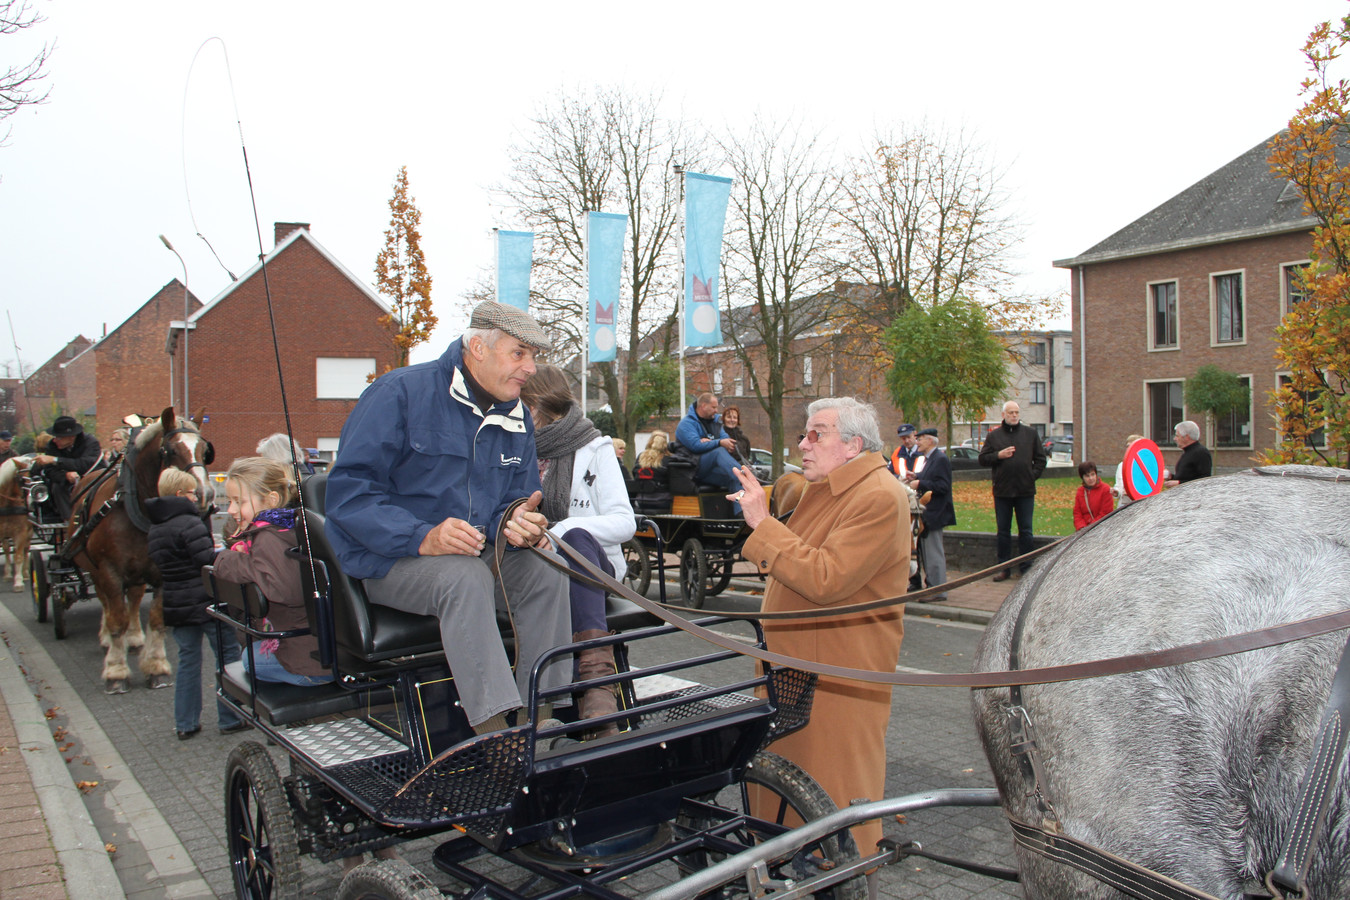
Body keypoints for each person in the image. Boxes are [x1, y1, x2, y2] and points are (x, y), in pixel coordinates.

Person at [324, 300, 572, 735]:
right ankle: (496, 734)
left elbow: (513, 500)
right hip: (390, 559)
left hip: (476, 554)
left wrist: (516, 522)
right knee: (464, 577)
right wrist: (422, 536)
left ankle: (542, 719)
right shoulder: (397, 394)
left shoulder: (517, 416)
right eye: (520, 353)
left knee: (550, 569)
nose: (531, 368)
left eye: (534, 356)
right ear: (478, 347)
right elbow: (349, 495)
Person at [730, 397, 910, 853]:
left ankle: (845, 868)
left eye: (817, 434)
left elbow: (825, 577)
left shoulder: (877, 496)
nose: (804, 444)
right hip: (797, 669)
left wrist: (761, 522)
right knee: (785, 802)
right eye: (804, 434)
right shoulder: (830, 486)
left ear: (852, 445)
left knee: (835, 798)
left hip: (835, 677)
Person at [520, 365, 635, 738]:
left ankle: (596, 687)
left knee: (579, 538)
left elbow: (625, 522)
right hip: (537, 563)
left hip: (593, 567)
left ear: (538, 405)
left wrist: (563, 529)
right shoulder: (515, 448)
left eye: (523, 406)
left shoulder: (596, 448)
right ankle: (583, 701)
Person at [146, 468, 247, 740]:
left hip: (175, 603)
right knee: (227, 658)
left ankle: (185, 723)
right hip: (205, 600)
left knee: (187, 661)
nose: (195, 497)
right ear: (180, 494)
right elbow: (205, 559)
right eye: (192, 492)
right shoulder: (189, 522)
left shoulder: (155, 527)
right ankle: (230, 717)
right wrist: (226, 552)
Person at [212, 457, 331, 686]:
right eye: (230, 501)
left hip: (311, 661)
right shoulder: (292, 524)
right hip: (319, 646)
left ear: (271, 500)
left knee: (248, 659)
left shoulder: (268, 536)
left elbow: (284, 589)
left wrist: (228, 560)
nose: (232, 510)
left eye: (239, 501)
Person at [978, 402, 1047, 582]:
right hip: (1003, 491)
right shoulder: (994, 436)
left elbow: (1041, 459)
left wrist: (1032, 476)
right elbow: (983, 459)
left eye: (1016, 412)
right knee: (1003, 531)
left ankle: (1026, 567)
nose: (1014, 415)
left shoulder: (1030, 434)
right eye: (1010, 412)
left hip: (1025, 491)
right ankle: (1004, 568)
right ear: (1003, 414)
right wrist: (998, 456)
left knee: (1026, 530)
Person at [904, 428, 954, 601]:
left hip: (936, 512)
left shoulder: (940, 459)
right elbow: (933, 479)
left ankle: (938, 590)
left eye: (921, 439)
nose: (917, 442)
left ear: (931, 440)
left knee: (934, 552)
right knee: (927, 552)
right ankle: (931, 586)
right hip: (928, 513)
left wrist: (920, 483)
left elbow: (943, 485)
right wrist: (916, 476)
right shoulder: (930, 459)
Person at [675, 393, 742, 509]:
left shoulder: (716, 424)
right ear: (703, 406)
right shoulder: (686, 424)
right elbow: (695, 446)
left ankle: (741, 516)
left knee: (733, 479)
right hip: (693, 468)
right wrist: (717, 442)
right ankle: (743, 474)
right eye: (714, 407)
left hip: (710, 470)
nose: (717, 411)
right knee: (719, 451)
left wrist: (710, 442)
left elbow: (726, 439)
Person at [31, 416, 101, 520]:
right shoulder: (52, 446)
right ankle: (69, 520)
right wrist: (65, 476)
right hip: (67, 483)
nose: (54, 440)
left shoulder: (90, 442)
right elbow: (49, 471)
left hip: (93, 480)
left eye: (59, 437)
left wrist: (55, 460)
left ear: (72, 436)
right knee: (57, 487)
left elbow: (85, 464)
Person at [1165, 420, 1212, 486]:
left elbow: (1204, 480)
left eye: (1177, 436)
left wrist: (1179, 483)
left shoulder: (1201, 453)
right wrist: (1172, 477)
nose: (1175, 439)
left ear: (1186, 437)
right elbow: (1186, 476)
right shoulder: (1187, 452)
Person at [1073, 461, 1116, 530]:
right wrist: (1081, 527)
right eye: (1087, 476)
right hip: (1083, 531)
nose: (1091, 478)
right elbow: (1077, 513)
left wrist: (1090, 528)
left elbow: (1105, 513)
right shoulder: (1080, 492)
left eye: (1093, 474)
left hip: (1101, 529)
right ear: (1082, 478)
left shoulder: (1105, 489)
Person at [1112, 433, 1145, 508]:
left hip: (1140, 505)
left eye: (1131, 446)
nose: (1128, 449)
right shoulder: (1121, 466)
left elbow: (1146, 488)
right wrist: (1116, 492)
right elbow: (1119, 486)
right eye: (1127, 446)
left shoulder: (1144, 467)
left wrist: (1131, 492)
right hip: (1123, 505)